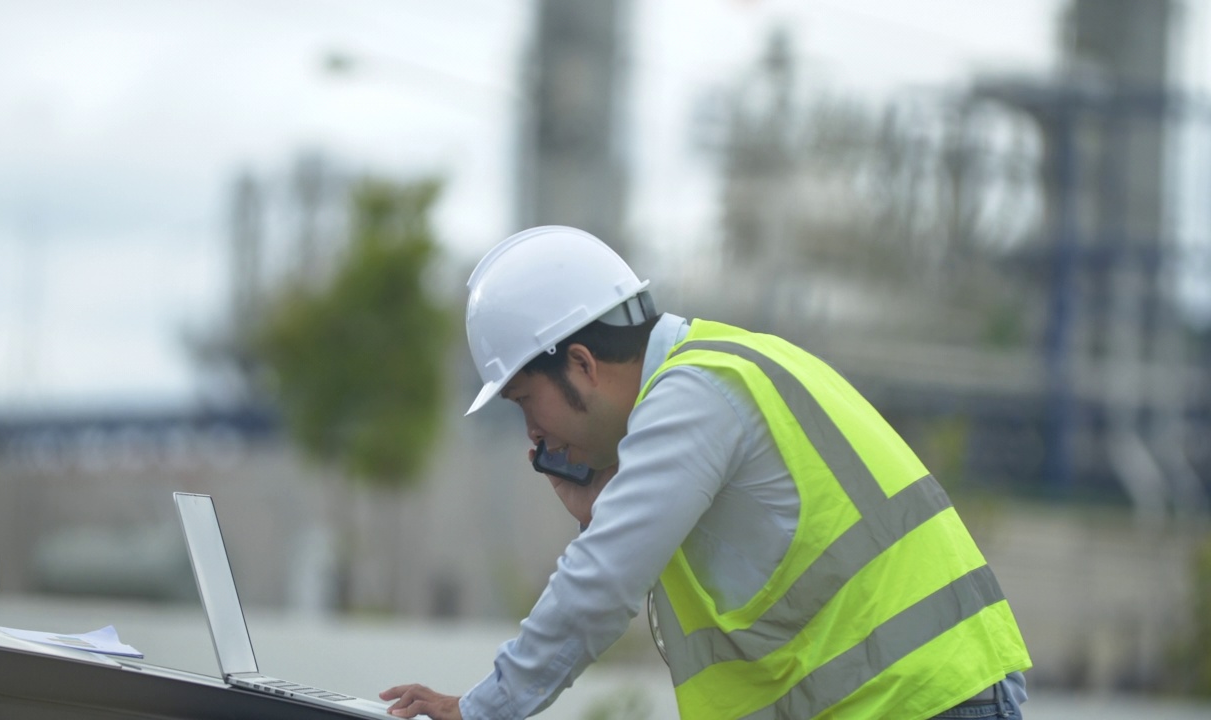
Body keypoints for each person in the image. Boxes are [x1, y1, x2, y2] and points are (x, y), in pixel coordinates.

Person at [381, 226, 1032, 720]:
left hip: (922, 702)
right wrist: (601, 511)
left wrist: (480, 710)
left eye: (526, 402)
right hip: (924, 696)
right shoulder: (716, 374)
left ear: (581, 364)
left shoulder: (693, 398)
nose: (531, 434)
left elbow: (600, 585)